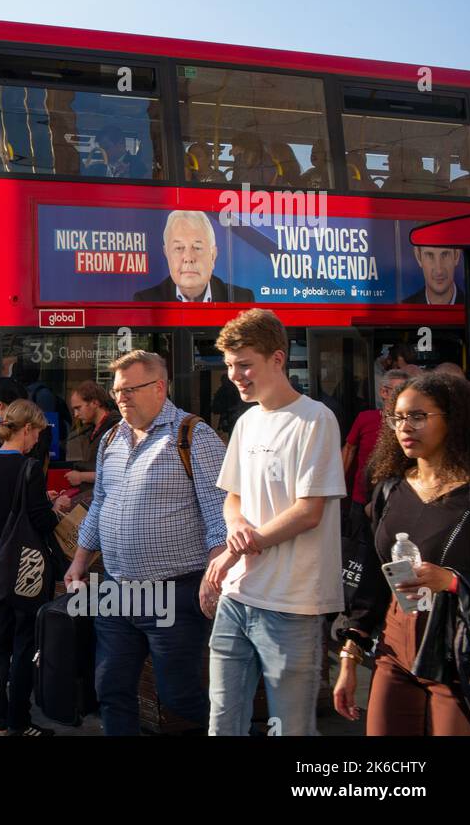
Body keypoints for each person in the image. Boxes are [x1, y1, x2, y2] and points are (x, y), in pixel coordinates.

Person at [66, 350, 227, 735]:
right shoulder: (111, 440)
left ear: (159, 387)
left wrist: (215, 575)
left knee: (180, 696)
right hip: (117, 590)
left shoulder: (193, 435)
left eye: (129, 390)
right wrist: (78, 561)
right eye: (116, 391)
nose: (120, 398)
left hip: (174, 590)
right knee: (111, 688)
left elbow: (220, 515)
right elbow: (100, 504)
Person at [204, 309, 346, 736]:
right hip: (237, 598)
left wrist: (234, 549)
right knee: (222, 722)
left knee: (290, 727)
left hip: (292, 603)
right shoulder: (247, 422)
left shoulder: (316, 419)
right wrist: (235, 528)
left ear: (278, 359)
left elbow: (309, 511)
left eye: (244, 364)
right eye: (229, 366)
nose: (235, 376)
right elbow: (233, 498)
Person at [334, 372, 470, 735]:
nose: (404, 427)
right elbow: (372, 580)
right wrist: (351, 653)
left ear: (454, 418)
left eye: (418, 416)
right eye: (397, 417)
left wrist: (452, 581)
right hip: (394, 651)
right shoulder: (388, 490)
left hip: (458, 655)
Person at [0, 399, 59, 736]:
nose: (37, 439)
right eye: (37, 432)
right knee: (25, 643)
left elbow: (0, 513)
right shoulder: (28, 468)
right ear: (27, 428)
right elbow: (41, 520)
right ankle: (20, 721)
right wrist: (57, 505)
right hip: (25, 566)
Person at [343, 370, 411, 545]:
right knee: (358, 551)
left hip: (397, 499)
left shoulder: (411, 424)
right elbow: (349, 449)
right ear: (384, 392)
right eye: (398, 391)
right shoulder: (365, 418)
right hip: (361, 497)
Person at [133, 210, 254, 303]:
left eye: (197, 247)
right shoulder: (145, 300)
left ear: (213, 255)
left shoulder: (242, 298)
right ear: (167, 254)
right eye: (179, 248)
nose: (188, 258)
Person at [63, 380, 117, 507]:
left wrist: (81, 476)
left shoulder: (116, 429)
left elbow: (116, 474)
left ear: (94, 402)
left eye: (78, 408)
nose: (76, 414)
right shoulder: (90, 429)